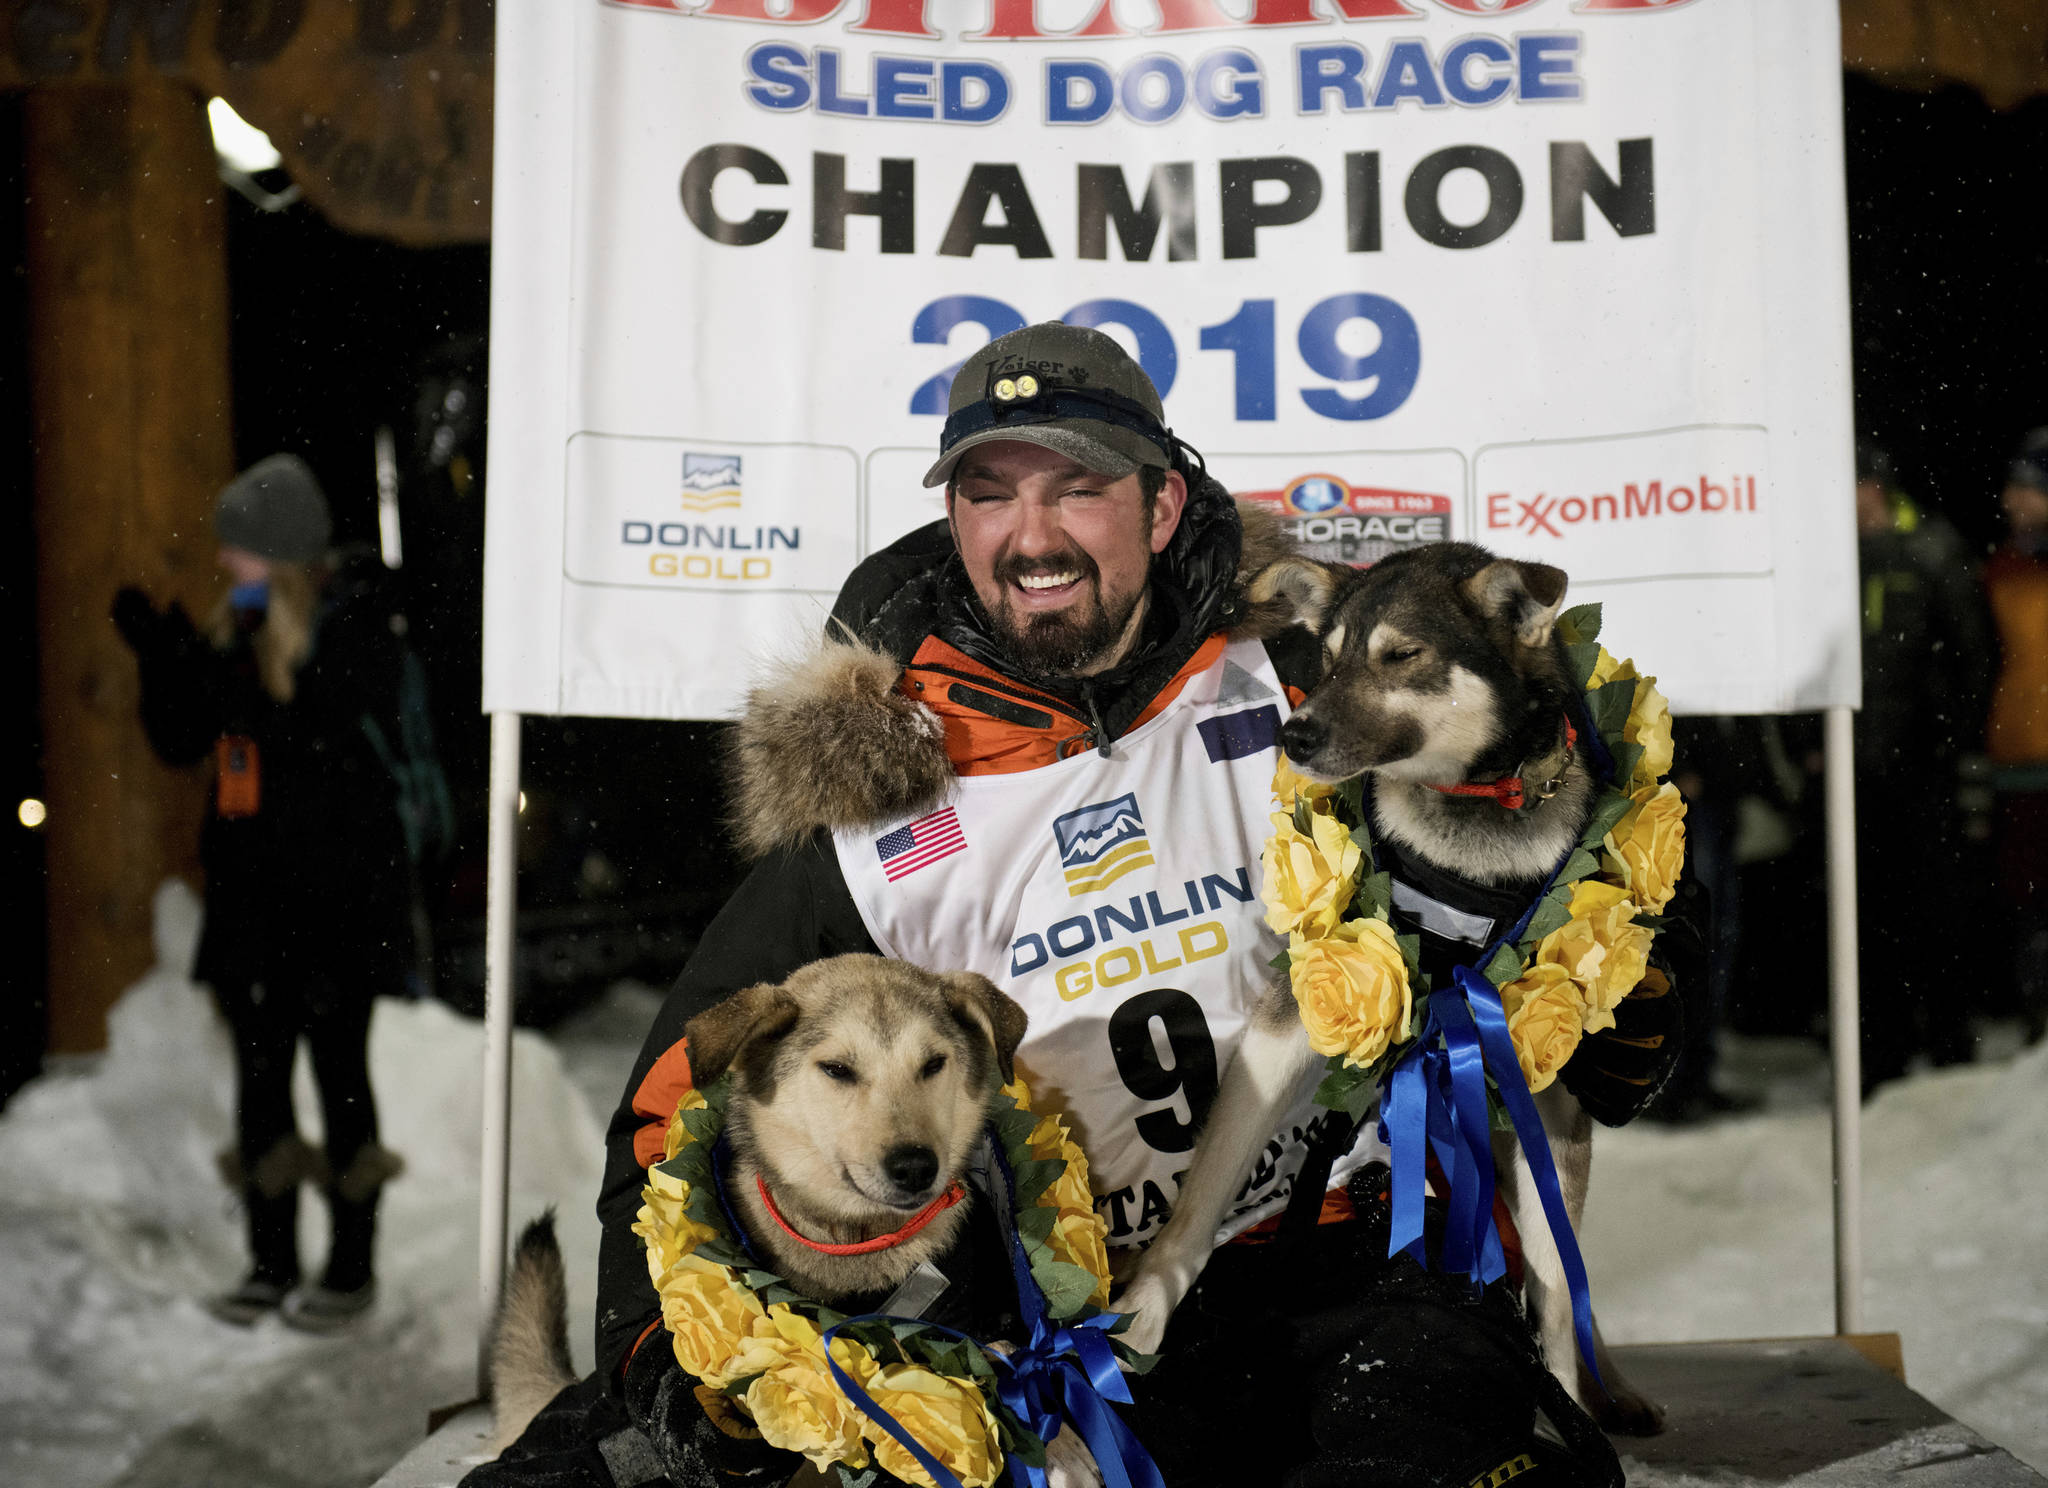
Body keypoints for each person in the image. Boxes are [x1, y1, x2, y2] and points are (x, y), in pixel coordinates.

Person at [483, 325, 1679, 1488]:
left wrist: (1610, 998)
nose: (1030, 532)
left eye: (1077, 488)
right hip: (1049, 1323)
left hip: (1348, 1268)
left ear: (1159, 508)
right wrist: (667, 1360)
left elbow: (1557, 800)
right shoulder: (877, 787)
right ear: (954, 520)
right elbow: (673, 1113)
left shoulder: (1300, 680)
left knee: (1433, 1443)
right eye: (989, 492)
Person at [112, 454, 411, 1331]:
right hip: (252, 907)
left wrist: (251, 660)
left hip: (337, 910)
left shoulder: (353, 628)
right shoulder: (240, 630)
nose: (221, 565)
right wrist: (160, 657)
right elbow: (181, 739)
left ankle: (350, 1266)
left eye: (238, 552)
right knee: (258, 1081)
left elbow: (315, 735)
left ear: (280, 558)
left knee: (339, 1077)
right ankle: (270, 1261)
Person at [1851, 444, 1998, 1089]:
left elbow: (1975, 654)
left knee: (1938, 904)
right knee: (1869, 910)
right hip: (1859, 766)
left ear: (1875, 488)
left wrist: (1953, 741)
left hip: (1924, 763)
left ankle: (1949, 1042)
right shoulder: (1831, 556)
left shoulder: (1934, 549)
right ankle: (1880, 1053)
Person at [1984, 428, 2048, 1046]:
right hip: (2020, 762)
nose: (2012, 501)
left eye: (2027, 489)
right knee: (2025, 901)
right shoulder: (2003, 569)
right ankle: (2037, 1028)